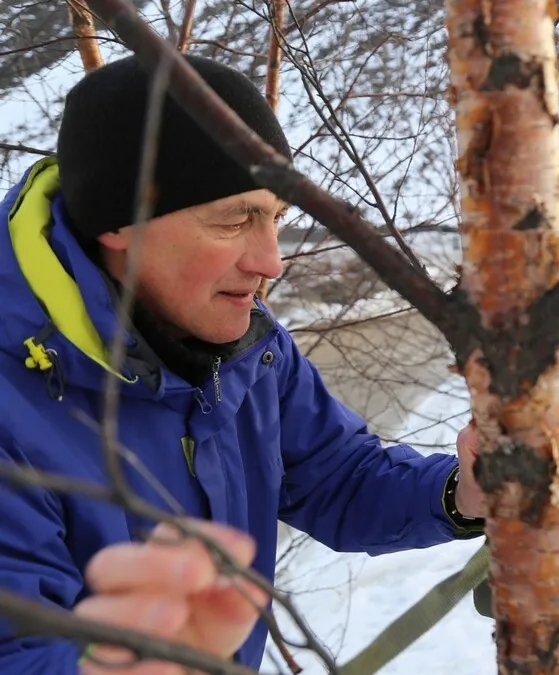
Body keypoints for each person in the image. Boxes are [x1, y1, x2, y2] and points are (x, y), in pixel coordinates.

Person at [0, 54, 487, 672]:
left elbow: (337, 476)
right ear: (117, 220)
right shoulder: (13, 402)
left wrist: (462, 493)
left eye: (277, 219)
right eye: (235, 219)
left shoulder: (249, 350)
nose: (271, 261)